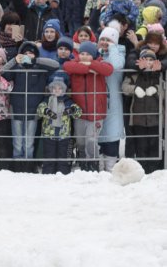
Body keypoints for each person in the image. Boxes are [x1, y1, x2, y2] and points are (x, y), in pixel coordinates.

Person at [1, 41, 59, 172]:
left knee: (29, 143)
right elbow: (3, 72)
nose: (28, 55)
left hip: (33, 112)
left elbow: (56, 65)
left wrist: (36, 60)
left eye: (31, 53)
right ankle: (17, 166)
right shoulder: (16, 67)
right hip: (16, 110)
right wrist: (14, 60)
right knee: (17, 142)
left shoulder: (40, 68)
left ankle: (28, 166)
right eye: (25, 53)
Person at [63, 41, 111, 171]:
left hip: (96, 112)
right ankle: (83, 163)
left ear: (94, 54)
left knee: (91, 141)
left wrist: (91, 64)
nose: (84, 56)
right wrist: (87, 69)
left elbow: (108, 70)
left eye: (88, 54)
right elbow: (67, 66)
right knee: (80, 141)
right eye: (82, 53)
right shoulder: (74, 63)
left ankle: (93, 165)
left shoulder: (100, 63)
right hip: (80, 112)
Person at [121, 48, 162, 173]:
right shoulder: (133, 74)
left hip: (155, 118)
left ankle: (154, 170)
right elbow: (124, 87)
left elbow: (164, 90)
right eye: (146, 59)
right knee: (141, 145)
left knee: (154, 144)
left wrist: (156, 89)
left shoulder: (159, 75)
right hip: (138, 119)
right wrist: (135, 89)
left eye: (151, 60)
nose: (148, 62)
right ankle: (142, 170)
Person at [35, 71, 81, 175]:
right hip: (49, 134)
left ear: (64, 90)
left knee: (62, 156)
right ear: (50, 89)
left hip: (63, 135)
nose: (57, 90)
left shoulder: (68, 101)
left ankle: (63, 173)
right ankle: (48, 173)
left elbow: (78, 111)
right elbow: (40, 109)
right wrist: (47, 111)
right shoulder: (47, 100)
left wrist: (71, 110)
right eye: (54, 88)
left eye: (60, 88)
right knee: (49, 155)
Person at [97, 25, 126, 171]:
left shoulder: (119, 52)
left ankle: (110, 169)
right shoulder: (97, 54)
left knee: (112, 133)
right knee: (98, 134)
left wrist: (112, 48)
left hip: (113, 102)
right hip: (98, 101)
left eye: (108, 39)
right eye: (102, 39)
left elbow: (116, 65)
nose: (104, 42)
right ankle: (99, 168)